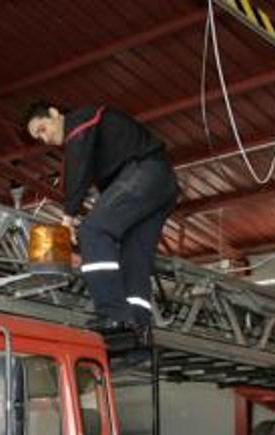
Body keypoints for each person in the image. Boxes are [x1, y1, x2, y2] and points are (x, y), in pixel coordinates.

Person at [23, 101, 178, 342]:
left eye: (42, 129)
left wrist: (68, 218)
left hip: (145, 172)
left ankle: (113, 314)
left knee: (93, 230)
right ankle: (138, 334)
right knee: (133, 258)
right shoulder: (90, 140)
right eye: (38, 137)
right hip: (161, 185)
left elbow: (78, 169)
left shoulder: (81, 120)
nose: (44, 139)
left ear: (55, 114)